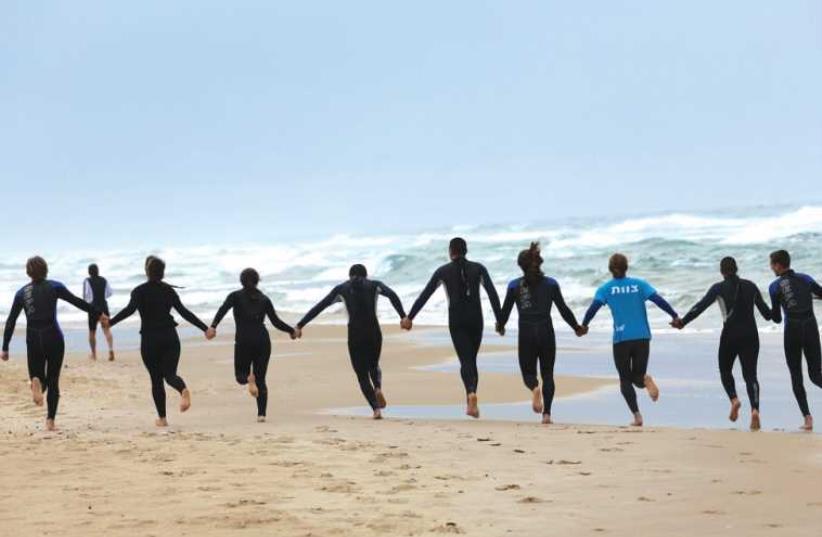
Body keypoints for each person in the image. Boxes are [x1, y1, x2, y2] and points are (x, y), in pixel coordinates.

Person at [1, 256, 106, 431]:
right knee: (53, 379)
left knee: (38, 376)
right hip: (53, 336)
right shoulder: (55, 286)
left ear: (28, 273)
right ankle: (50, 421)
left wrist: (5, 347)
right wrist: (98, 313)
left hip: (33, 338)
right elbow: (77, 302)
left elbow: (11, 320)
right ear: (46, 269)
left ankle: (36, 381)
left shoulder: (21, 293)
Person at [107, 256, 212, 427]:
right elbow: (184, 312)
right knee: (170, 375)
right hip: (170, 337)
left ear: (146, 272)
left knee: (156, 380)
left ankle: (162, 419)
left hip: (150, 339)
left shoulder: (139, 291)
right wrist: (205, 329)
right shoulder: (168, 291)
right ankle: (183, 390)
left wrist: (110, 323)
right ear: (163, 273)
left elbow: (129, 311)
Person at [404, 237, 502, 419]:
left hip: (457, 320)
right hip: (476, 319)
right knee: (471, 359)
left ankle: (471, 394)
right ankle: (471, 400)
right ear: (466, 250)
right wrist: (500, 320)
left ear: (450, 252)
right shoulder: (479, 268)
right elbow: (493, 294)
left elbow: (425, 294)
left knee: (465, 360)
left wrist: (410, 317)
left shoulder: (443, 271)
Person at [580, 253, 681, 426]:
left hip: (622, 338)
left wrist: (584, 325)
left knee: (625, 379)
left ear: (610, 269)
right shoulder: (639, 284)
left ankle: (637, 416)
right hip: (642, 336)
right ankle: (645, 380)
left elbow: (593, 308)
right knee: (638, 376)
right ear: (627, 267)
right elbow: (658, 300)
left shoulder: (605, 289)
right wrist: (674, 315)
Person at [295, 264, 405, 419]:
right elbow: (392, 295)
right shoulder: (374, 285)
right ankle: (378, 387)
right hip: (374, 332)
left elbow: (321, 306)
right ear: (366, 275)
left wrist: (301, 324)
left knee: (361, 374)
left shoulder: (342, 289)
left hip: (355, 334)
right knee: (374, 364)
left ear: (349, 276)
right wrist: (403, 316)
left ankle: (375, 409)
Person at [674, 257, 770, 430]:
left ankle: (734, 399)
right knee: (750, 375)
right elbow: (767, 314)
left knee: (725, 370)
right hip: (751, 335)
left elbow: (700, 306)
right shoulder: (751, 286)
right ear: (737, 268)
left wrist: (683, 322)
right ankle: (755, 410)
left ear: (722, 271)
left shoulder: (718, 288)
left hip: (730, 335)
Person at [497, 242, 585, 424]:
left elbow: (504, 312)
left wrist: (501, 325)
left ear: (520, 266)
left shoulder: (514, 286)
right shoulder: (551, 284)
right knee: (548, 373)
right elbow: (563, 309)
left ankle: (534, 388)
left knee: (528, 373)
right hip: (546, 331)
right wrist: (576, 327)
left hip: (526, 332)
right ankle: (547, 415)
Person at [208, 268, 297, 422]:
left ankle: (249, 380)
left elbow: (222, 310)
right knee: (261, 378)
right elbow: (275, 322)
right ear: (257, 281)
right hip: (263, 340)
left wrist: (213, 326)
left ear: (241, 281)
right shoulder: (264, 299)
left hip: (244, 341)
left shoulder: (235, 296)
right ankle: (261, 415)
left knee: (240, 376)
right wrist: (291, 331)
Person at [767, 249, 822, 431]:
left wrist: (765, 311)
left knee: (796, 375)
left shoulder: (775, 287)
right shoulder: (805, 278)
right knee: (816, 375)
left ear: (777, 265)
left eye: (771, 265)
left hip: (793, 332)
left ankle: (808, 419)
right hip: (811, 328)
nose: (771, 268)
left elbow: (776, 318)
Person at [84, 263, 115, 361]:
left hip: (93, 308)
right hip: (104, 307)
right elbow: (109, 293)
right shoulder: (104, 280)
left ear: (89, 272)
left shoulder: (87, 281)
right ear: (98, 271)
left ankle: (94, 355)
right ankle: (111, 350)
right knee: (107, 330)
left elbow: (86, 296)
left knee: (92, 332)